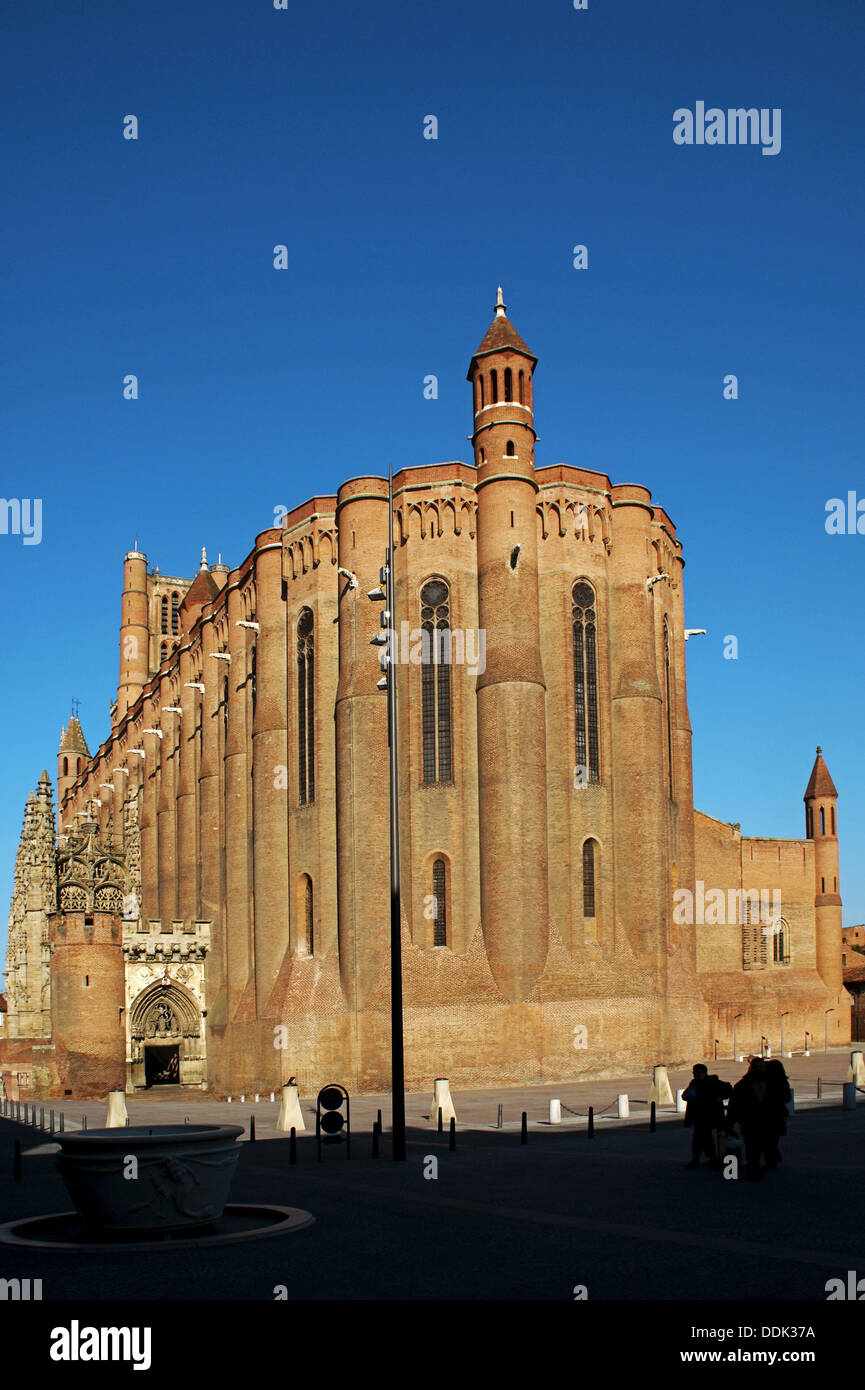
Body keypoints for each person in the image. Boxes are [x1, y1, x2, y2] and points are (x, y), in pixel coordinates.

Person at [726, 1056, 770, 1180]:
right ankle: (754, 1168)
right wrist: (729, 1123)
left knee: (760, 1145)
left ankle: (758, 1166)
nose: (759, 1069)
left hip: (764, 1119)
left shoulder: (769, 1082)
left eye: (761, 1067)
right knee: (752, 1146)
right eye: (757, 1067)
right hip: (750, 1120)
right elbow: (734, 1105)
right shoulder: (743, 1085)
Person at [682, 1063, 732, 1168]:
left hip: (710, 1115)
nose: (695, 1075)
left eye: (698, 1072)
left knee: (703, 1138)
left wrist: (719, 1097)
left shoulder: (712, 1081)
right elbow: (685, 1096)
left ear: (704, 1072)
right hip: (698, 1116)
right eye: (694, 1072)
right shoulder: (694, 1083)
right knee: (701, 1138)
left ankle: (708, 1159)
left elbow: (728, 1089)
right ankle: (706, 1159)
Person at [763, 1058, 792, 1169]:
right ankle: (773, 1158)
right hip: (779, 1113)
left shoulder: (766, 1082)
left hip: (768, 1113)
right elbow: (787, 1098)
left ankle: (771, 1160)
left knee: (767, 1139)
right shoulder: (783, 1081)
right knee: (773, 1139)